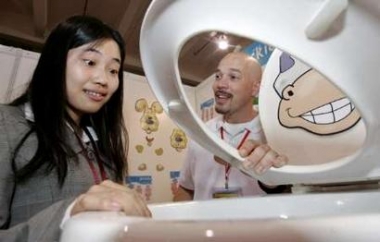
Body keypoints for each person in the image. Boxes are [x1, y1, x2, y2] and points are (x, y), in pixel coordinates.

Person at [0, 15, 151, 241]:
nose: (104, 80)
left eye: (113, 71)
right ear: (56, 61)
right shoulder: (7, 124)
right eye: (90, 62)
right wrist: (68, 216)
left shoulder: (100, 144)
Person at [174, 52, 289, 201]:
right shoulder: (200, 134)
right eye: (218, 76)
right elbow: (186, 188)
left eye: (233, 77)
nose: (220, 84)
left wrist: (272, 179)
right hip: (206, 225)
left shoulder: (275, 135)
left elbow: (290, 193)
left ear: (255, 89)